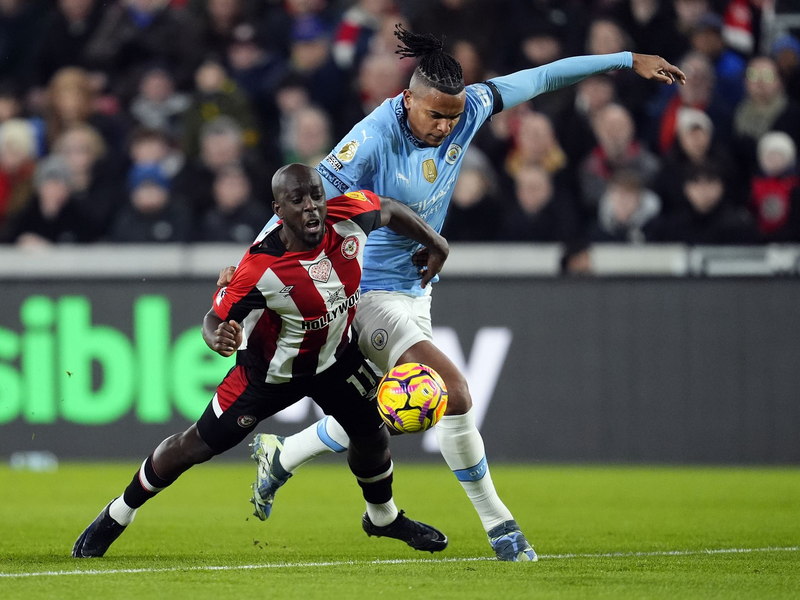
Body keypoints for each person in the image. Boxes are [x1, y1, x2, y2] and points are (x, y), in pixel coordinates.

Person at [225, 25, 685, 563]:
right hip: (367, 292)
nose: (447, 125)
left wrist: (628, 58)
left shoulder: (468, 108)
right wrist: (246, 266)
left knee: (378, 407)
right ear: (407, 99)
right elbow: (302, 198)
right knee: (452, 392)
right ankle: (501, 527)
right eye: (435, 115)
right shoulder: (372, 137)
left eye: (453, 114)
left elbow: (541, 77)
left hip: (416, 290)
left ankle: (282, 457)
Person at [72, 163, 450, 558]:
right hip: (270, 376)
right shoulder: (259, 267)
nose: (311, 208)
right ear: (278, 209)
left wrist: (437, 244)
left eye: (316, 196)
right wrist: (216, 337)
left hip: (336, 361)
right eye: (297, 200)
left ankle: (383, 517)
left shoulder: (352, 216)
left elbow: (389, 208)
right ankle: (118, 513)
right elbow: (215, 318)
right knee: (196, 445)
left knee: (371, 432)